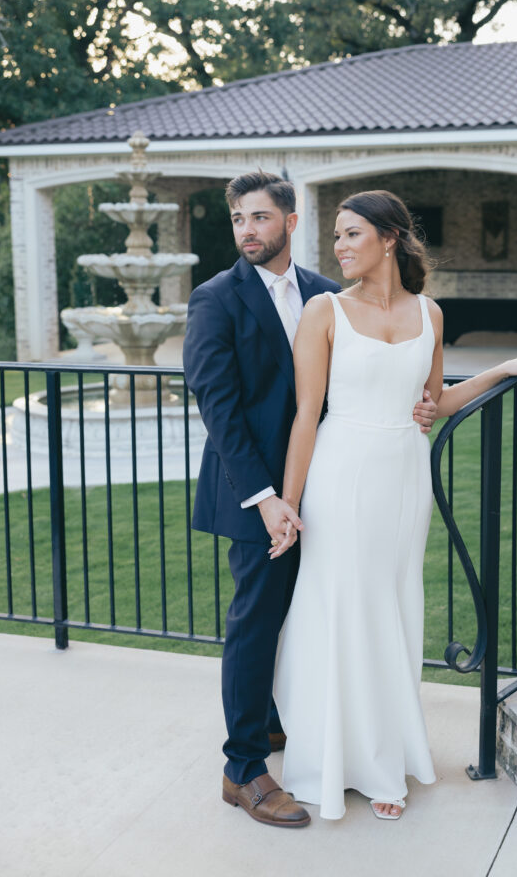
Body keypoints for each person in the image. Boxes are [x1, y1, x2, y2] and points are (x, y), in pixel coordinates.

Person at [271, 189, 517, 821]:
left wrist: (499, 371)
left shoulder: (431, 314)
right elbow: (306, 416)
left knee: (393, 607)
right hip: (342, 473)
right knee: (343, 607)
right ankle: (335, 758)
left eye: (350, 234)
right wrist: (288, 505)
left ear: (388, 238)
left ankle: (384, 760)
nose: (338, 247)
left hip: (404, 475)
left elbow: (435, 401)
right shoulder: (323, 311)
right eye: (336, 236)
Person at [182, 173, 438, 830]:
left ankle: (280, 726)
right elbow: (221, 411)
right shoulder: (216, 299)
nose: (246, 230)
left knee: (315, 614)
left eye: (260, 217)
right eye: (238, 218)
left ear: (290, 223)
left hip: (331, 491)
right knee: (256, 620)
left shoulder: (331, 295)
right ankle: (242, 770)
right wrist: (269, 499)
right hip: (256, 496)